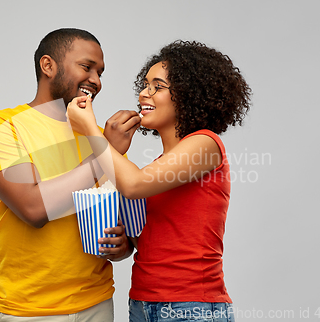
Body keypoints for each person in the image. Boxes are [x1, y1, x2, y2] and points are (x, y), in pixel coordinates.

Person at [67, 40, 251, 322]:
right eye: (145, 84)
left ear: (188, 95)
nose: (144, 93)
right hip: (142, 303)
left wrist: (90, 127)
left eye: (158, 86)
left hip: (190, 308)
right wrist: (125, 245)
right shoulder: (157, 168)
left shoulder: (205, 145)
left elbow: (133, 185)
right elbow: (158, 239)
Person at [0, 28, 141, 321]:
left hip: (97, 304)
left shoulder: (99, 138)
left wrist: (123, 244)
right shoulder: (2, 126)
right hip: (25, 311)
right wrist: (106, 151)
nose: (96, 80)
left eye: (100, 72)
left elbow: (123, 217)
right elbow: (34, 208)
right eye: (86, 67)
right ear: (48, 66)